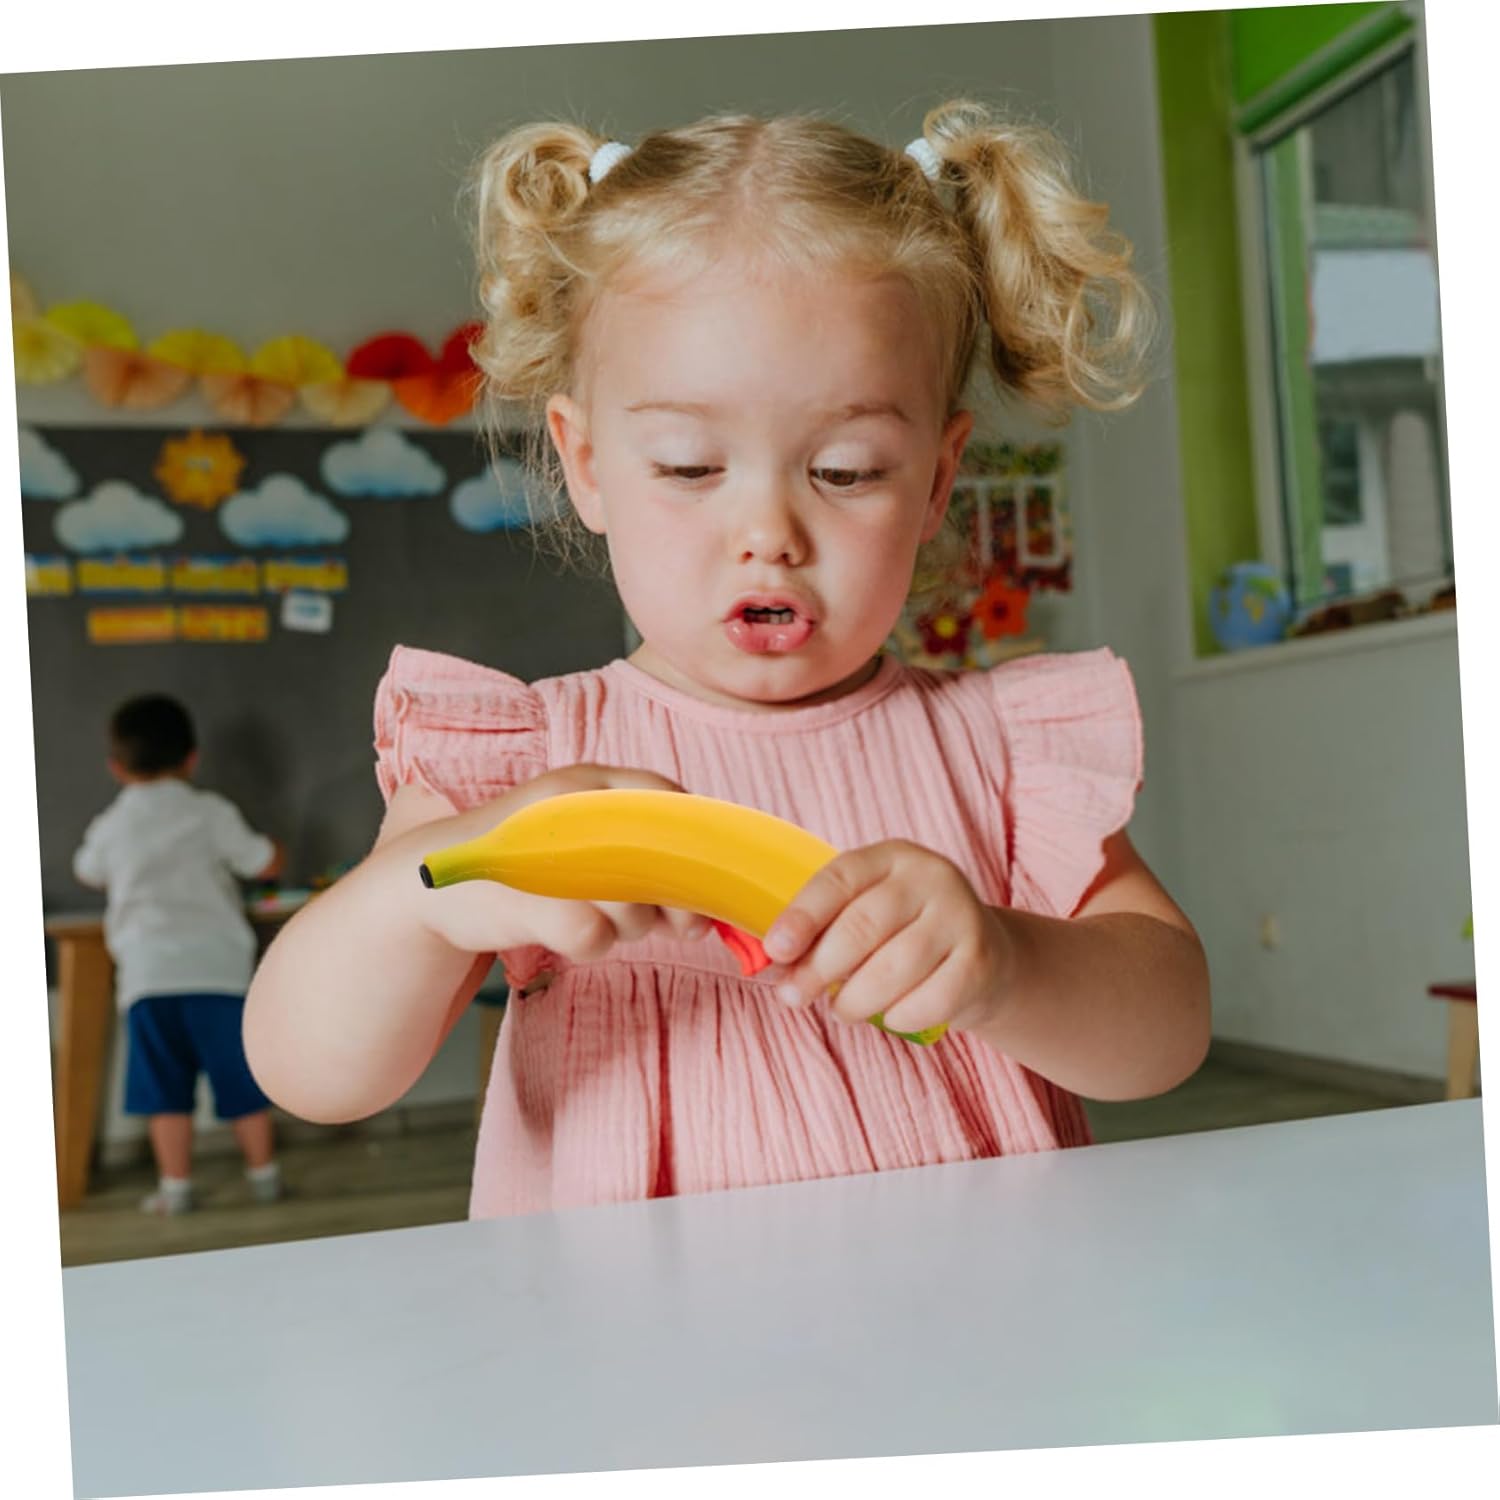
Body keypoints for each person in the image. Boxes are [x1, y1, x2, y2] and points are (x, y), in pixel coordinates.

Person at [246, 101, 1211, 1218]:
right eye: (691, 467)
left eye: (846, 470)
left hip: (980, 1297)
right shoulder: (521, 767)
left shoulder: (998, 750)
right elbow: (311, 1075)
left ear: (938, 480)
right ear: (588, 465)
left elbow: (1168, 1033)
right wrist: (424, 899)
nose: (768, 533)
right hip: (632, 1312)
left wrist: (1008, 963)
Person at [73, 694, 285, 1215]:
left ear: (116, 767)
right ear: (191, 758)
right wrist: (276, 851)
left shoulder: (111, 824)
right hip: (219, 971)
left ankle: (176, 1187)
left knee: (164, 1090)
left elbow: (87, 870)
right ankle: (264, 1175)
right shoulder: (211, 812)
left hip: (149, 977)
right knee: (241, 1079)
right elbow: (261, 862)